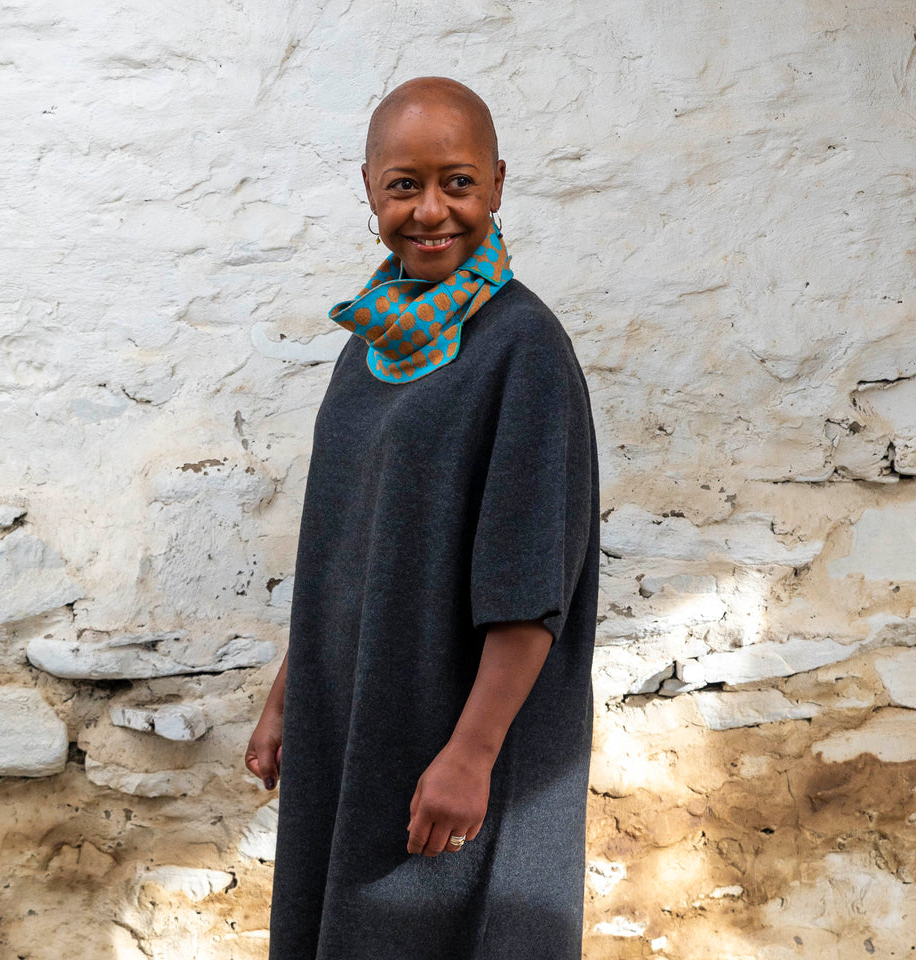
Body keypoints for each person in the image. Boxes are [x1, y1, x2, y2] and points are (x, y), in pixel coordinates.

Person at [245, 76, 600, 960]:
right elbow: (344, 546)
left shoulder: (523, 349)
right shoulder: (374, 342)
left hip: (455, 734)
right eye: (405, 183)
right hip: (356, 724)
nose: (432, 209)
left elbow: (531, 591)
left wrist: (470, 757)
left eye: (459, 181)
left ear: (498, 184)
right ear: (370, 189)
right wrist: (290, 700)